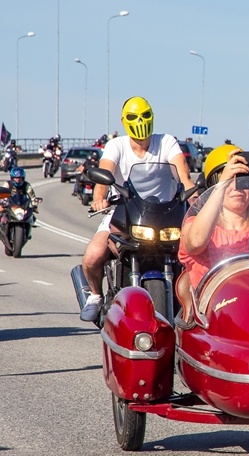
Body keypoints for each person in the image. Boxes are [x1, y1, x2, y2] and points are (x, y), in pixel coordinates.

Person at [79, 96, 196, 322]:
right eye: (134, 117)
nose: (140, 121)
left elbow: (183, 175)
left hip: (165, 214)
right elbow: (104, 177)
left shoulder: (166, 142)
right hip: (125, 211)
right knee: (93, 257)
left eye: (144, 115)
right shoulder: (117, 145)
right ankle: (95, 296)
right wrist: (100, 198)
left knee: (195, 251)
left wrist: (195, 197)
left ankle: (194, 305)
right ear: (125, 120)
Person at [175, 145, 249, 322]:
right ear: (214, 185)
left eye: (243, 179)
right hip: (212, 320)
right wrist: (221, 186)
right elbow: (196, 242)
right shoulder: (197, 225)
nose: (237, 187)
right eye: (230, 179)